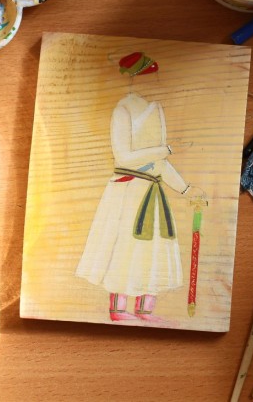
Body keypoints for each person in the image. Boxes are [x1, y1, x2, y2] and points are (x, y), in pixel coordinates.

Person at [76, 52, 203, 322]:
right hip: (128, 192)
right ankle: (118, 309)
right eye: (147, 75)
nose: (153, 81)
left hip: (152, 194)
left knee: (152, 250)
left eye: (154, 75)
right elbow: (123, 157)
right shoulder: (123, 110)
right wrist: (167, 148)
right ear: (133, 78)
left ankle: (145, 310)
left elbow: (160, 163)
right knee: (125, 247)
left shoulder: (156, 109)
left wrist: (187, 189)